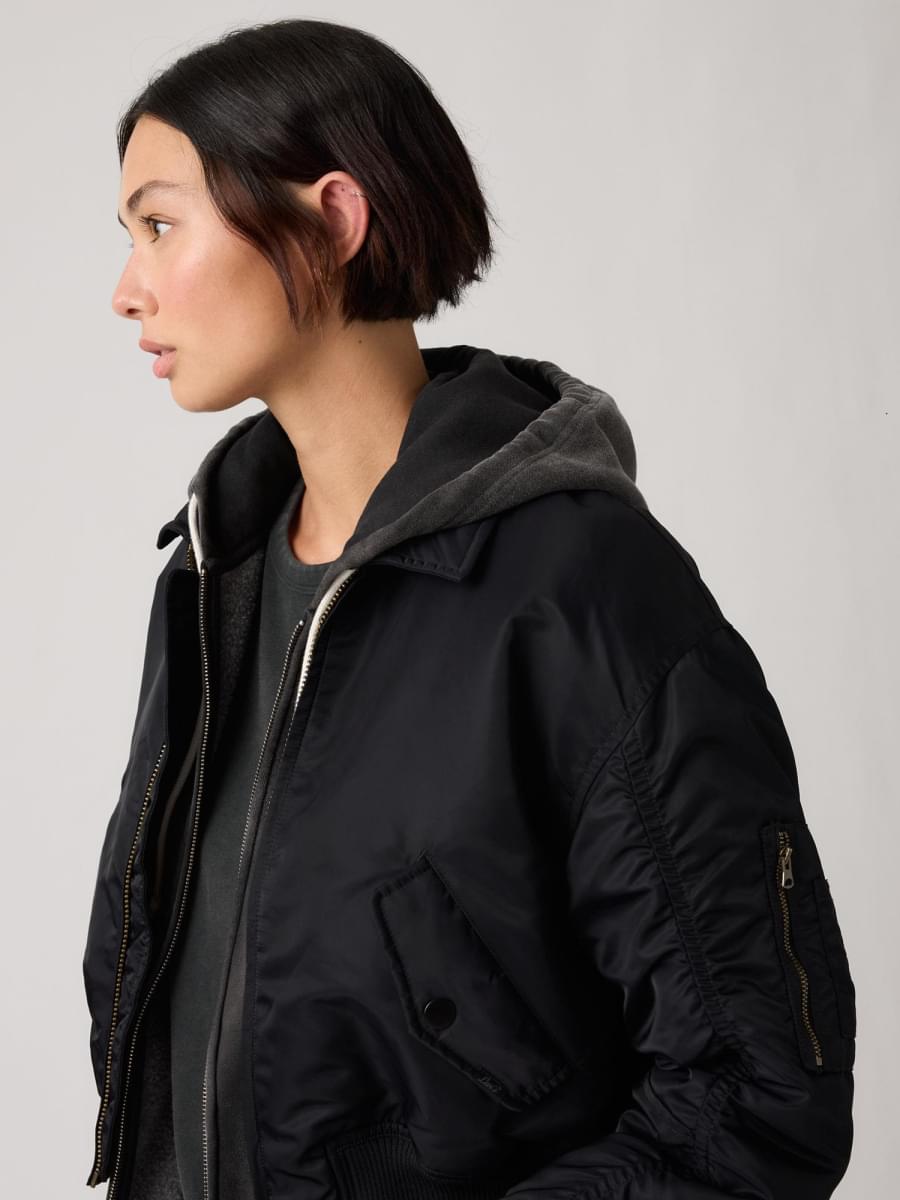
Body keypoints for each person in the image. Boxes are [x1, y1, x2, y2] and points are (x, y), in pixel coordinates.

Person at [82, 17, 857, 1200]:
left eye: (159, 224)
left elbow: (754, 1098)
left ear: (333, 220)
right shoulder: (209, 581)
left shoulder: (579, 584)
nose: (127, 289)